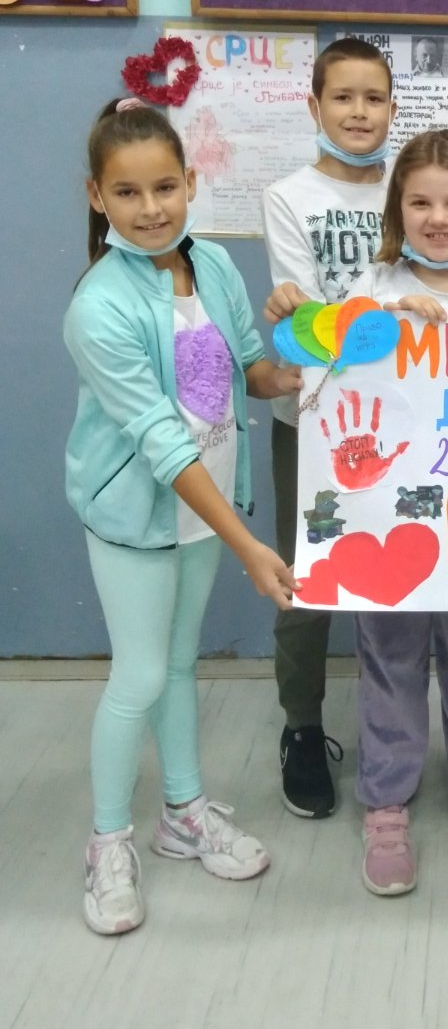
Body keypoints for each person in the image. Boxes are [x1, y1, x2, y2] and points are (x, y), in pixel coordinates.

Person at [266, 131, 448, 897]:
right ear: (398, 211)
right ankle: (386, 801)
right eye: (420, 202)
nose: (439, 217)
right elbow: (308, 359)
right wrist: (348, 320)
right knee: (386, 660)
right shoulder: (372, 285)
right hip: (383, 526)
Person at [65, 99, 302, 936]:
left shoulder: (215, 265)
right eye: (128, 193)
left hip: (206, 513)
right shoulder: (99, 307)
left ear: (192, 182)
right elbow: (163, 447)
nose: (151, 208)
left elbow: (252, 373)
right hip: (138, 516)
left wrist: (315, 364)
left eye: (165, 187)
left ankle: (183, 812)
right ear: (97, 195)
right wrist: (249, 547)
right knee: (137, 676)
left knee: (175, 665)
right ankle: (107, 841)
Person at [261, 37, 396, 820]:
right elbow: (307, 322)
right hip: (309, 421)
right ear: (314, 105)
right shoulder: (289, 196)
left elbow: (429, 293)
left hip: (401, 419)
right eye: (342, 97)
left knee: (398, 572)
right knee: (306, 580)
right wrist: (372, 322)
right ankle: (303, 727)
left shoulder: (412, 189)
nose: (358, 112)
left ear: (392, 109)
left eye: (373, 98)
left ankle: (392, 724)